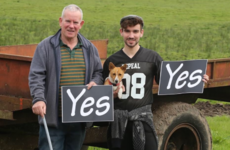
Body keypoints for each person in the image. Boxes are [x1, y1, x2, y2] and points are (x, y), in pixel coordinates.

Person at [102, 15, 209, 150]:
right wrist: (112, 95)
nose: (131, 35)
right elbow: (103, 93)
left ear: (141, 33)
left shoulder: (152, 57)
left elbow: (170, 81)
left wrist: (196, 79)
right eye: (127, 31)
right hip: (119, 120)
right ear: (121, 32)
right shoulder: (112, 61)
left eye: (135, 31)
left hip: (143, 118)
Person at [29, 4, 103, 150]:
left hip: (78, 118)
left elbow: (98, 72)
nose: (71, 26)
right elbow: (36, 75)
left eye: (75, 22)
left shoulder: (89, 48)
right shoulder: (46, 46)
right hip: (53, 118)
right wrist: (38, 99)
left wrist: (95, 82)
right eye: (67, 21)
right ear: (60, 21)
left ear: (81, 24)